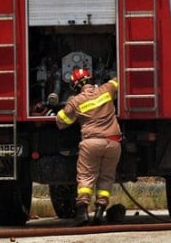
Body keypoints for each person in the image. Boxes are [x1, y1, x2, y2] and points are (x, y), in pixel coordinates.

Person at [56, 68, 121, 226]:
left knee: (86, 177)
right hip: (113, 142)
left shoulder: (76, 101)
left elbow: (61, 122)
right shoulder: (107, 89)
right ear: (91, 80)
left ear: (75, 86)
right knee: (106, 178)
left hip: (91, 143)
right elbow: (119, 80)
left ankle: (82, 213)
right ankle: (100, 212)